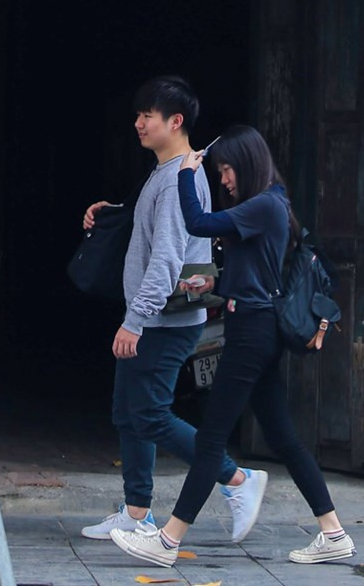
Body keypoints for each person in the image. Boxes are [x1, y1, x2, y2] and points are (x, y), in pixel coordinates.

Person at [110, 124, 355, 567]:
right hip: (254, 327)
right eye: (218, 171)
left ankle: (166, 540)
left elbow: (197, 222)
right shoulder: (269, 205)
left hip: (251, 334)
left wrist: (187, 173)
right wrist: (215, 281)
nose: (222, 180)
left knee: (211, 440)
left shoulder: (263, 204)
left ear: (246, 164)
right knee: (283, 437)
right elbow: (256, 273)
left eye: (226, 171)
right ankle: (333, 531)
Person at [80, 79, 267, 544]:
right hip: (156, 318)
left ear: (175, 121)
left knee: (150, 414)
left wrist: (134, 321)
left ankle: (237, 480)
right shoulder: (165, 172)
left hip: (165, 321)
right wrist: (113, 212)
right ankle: (136, 510)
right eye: (138, 115)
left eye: (148, 115)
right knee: (129, 413)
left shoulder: (180, 177)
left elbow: (167, 256)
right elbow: (156, 232)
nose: (139, 124)